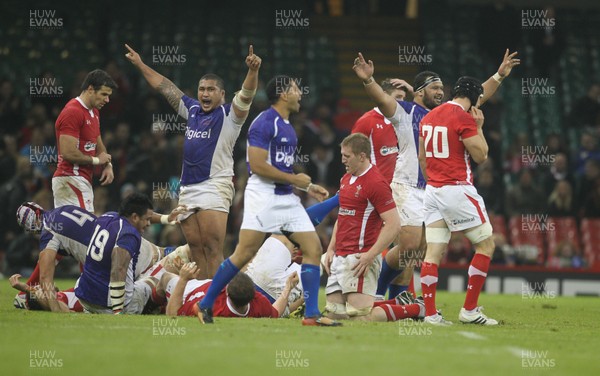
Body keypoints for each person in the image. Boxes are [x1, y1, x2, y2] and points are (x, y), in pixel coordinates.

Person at [352, 49, 520, 299]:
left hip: (430, 189)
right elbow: (382, 99)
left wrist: (499, 75)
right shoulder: (405, 112)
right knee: (408, 246)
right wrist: (368, 80)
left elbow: (477, 96)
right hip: (405, 186)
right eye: (435, 88)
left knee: (416, 251)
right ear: (419, 92)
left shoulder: (446, 114)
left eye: (442, 88)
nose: (441, 92)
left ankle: (396, 300)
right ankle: (375, 294)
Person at [196, 75, 339, 326]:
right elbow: (258, 166)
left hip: (284, 194)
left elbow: (277, 166)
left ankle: (312, 315)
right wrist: (296, 180)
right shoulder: (263, 123)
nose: (300, 94)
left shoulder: (288, 126)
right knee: (244, 253)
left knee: (313, 248)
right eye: (296, 90)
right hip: (262, 193)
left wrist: (310, 186)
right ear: (284, 94)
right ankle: (205, 304)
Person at [125, 44, 261, 280]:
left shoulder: (231, 115)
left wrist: (252, 71)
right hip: (188, 187)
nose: (205, 94)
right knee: (196, 249)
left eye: (211, 89)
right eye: (201, 89)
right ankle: (198, 297)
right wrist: (140, 63)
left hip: (215, 185)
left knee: (213, 248)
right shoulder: (193, 110)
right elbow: (165, 86)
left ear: (222, 94)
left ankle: (215, 300)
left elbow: (247, 94)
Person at [418, 76, 497, 325]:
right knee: (486, 246)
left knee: (433, 252)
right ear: (474, 99)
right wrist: (480, 127)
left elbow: (422, 158)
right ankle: (469, 311)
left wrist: (434, 180)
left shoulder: (428, 117)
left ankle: (430, 313)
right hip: (456, 189)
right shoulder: (464, 118)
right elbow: (481, 156)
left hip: (432, 190)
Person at [14, 201, 184, 312]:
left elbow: (45, 277)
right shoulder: (62, 210)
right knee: (179, 257)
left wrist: (56, 312)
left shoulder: (48, 231)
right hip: (127, 239)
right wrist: (165, 218)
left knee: (155, 291)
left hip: (120, 257)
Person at [321, 133, 402, 321]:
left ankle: (411, 308)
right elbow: (342, 217)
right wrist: (331, 248)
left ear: (362, 156)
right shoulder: (346, 179)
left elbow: (394, 224)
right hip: (340, 256)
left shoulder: (376, 183)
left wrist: (370, 255)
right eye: (342, 155)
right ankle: (398, 303)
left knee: (360, 318)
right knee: (335, 315)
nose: (342, 160)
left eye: (346, 156)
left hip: (360, 257)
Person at [74, 193, 154, 314]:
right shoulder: (129, 234)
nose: (149, 224)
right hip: (108, 304)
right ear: (135, 217)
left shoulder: (106, 216)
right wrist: (117, 311)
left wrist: (166, 219)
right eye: (147, 219)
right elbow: (118, 268)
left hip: (85, 296)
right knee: (155, 280)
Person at [52, 69, 116, 211]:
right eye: (104, 94)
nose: (107, 100)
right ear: (90, 89)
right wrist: (97, 161)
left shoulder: (94, 112)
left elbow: (99, 146)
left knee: (69, 233)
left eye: (109, 96)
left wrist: (107, 164)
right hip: (70, 179)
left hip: (80, 180)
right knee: (86, 230)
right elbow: (68, 153)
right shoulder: (72, 111)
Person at [155, 262, 298, 318]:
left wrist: (183, 279)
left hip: (191, 291)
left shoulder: (209, 308)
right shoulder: (258, 303)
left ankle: (151, 305)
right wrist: (288, 288)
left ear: (226, 291)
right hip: (206, 285)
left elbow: (173, 314)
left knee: (165, 278)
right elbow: (276, 312)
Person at [9, 274, 83, 312]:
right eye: (38, 288)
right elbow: (64, 311)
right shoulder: (58, 300)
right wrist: (27, 289)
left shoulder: (62, 295)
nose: (41, 285)